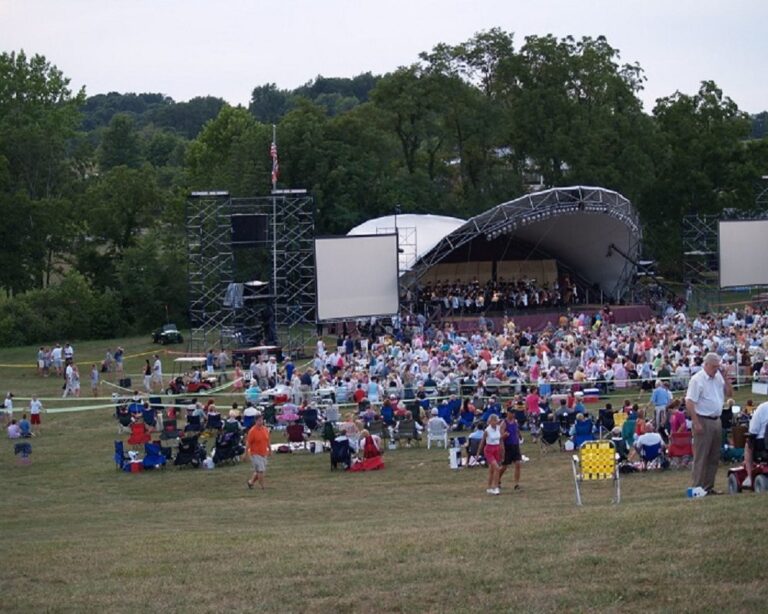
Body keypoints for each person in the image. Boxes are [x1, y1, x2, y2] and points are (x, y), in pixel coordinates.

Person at [685, 352, 732, 495]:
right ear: (706, 365)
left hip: (716, 419)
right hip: (703, 419)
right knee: (701, 456)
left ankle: (708, 486)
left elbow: (730, 393)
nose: (716, 370)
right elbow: (689, 401)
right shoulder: (697, 380)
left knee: (713, 456)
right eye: (714, 367)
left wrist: (725, 377)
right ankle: (697, 487)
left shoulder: (718, 377)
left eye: (718, 367)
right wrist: (696, 422)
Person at [741, 400, 768, 489]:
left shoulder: (762, 408)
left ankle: (749, 477)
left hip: (763, 443)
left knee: (748, 444)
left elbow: (753, 431)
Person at [478, 413, 503, 495]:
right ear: (491, 421)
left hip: (497, 449)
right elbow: (482, 442)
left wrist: (502, 449)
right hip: (489, 450)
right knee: (497, 468)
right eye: (495, 421)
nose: (497, 422)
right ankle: (496, 487)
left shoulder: (498, 428)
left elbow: (500, 439)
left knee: (491, 470)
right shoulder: (487, 430)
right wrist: (478, 453)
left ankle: (489, 487)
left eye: (497, 421)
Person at [245, 413, 271, 490]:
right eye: (259, 420)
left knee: (260, 470)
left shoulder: (265, 429)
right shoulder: (252, 431)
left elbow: (267, 440)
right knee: (260, 470)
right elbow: (248, 443)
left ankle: (250, 482)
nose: (261, 422)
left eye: (262, 420)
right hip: (255, 453)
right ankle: (262, 486)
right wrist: (246, 453)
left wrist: (269, 449)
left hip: (263, 452)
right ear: (256, 421)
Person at [499, 406, 522, 491]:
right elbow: (500, 437)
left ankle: (516, 484)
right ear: (507, 413)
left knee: (518, 464)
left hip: (515, 445)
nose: (513, 414)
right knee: (504, 466)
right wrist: (504, 436)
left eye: (514, 412)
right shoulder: (504, 423)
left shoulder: (515, 422)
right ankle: (498, 479)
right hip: (507, 446)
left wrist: (519, 436)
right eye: (512, 412)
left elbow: (517, 430)